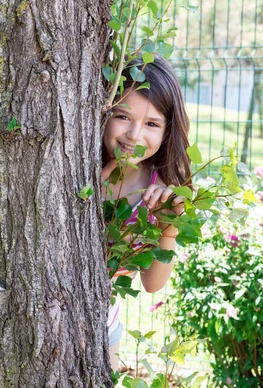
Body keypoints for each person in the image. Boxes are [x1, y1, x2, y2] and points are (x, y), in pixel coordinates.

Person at [102, 55, 191, 371]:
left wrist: (169, 227)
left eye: (152, 124)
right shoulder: (84, 168)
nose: (134, 135)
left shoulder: (159, 192)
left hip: (105, 325)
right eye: (123, 116)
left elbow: (152, 284)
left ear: (167, 132)